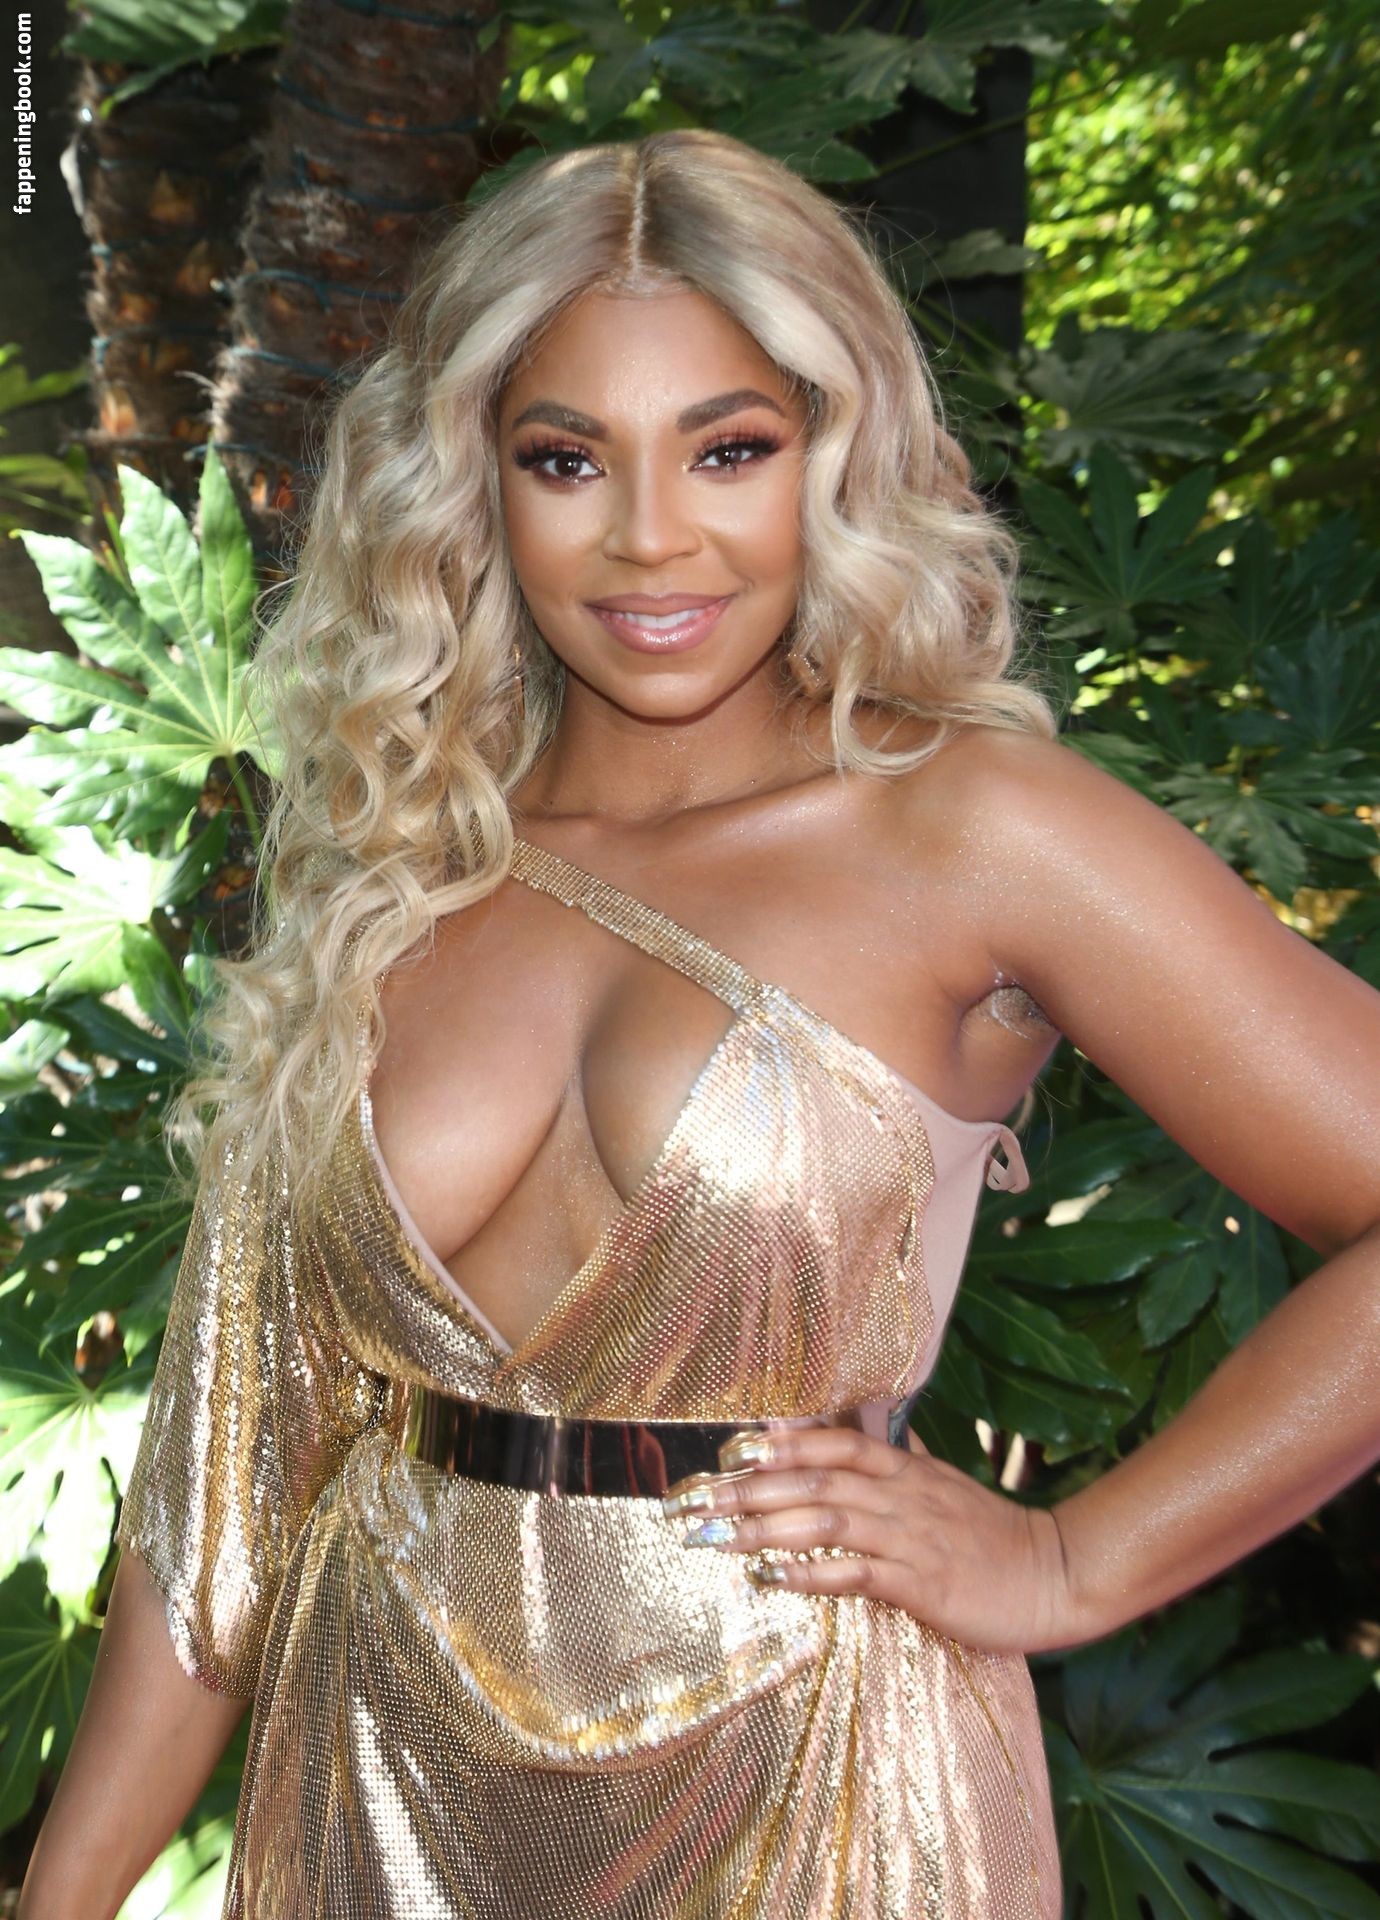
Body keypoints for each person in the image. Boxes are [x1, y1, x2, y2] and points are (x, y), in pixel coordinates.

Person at [21, 127, 1380, 1920]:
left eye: (728, 448)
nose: (650, 534)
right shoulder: (397, 859)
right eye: (566, 457)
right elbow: (224, 1492)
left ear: (834, 453)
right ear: (472, 482)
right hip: (380, 1787)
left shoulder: (970, 831)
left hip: (818, 1782)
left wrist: (1071, 1563)